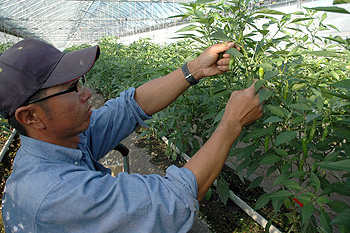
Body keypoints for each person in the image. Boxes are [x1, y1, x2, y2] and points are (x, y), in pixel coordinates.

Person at [0, 38, 263, 233]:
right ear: (30, 117)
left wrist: (195, 69)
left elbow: (129, 107)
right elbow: (172, 200)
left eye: (81, 81)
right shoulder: (55, 194)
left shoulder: (61, 141)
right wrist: (231, 123)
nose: (87, 92)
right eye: (71, 87)